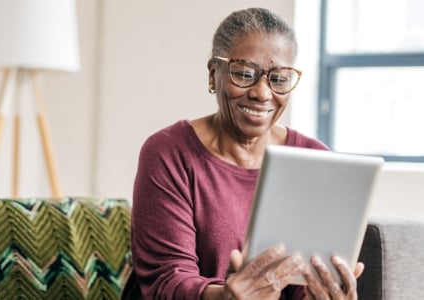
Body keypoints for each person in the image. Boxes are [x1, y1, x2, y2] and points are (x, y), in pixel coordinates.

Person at [121, 7, 363, 300]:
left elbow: (302, 282)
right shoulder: (169, 152)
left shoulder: (315, 159)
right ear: (214, 73)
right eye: (245, 74)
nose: (262, 93)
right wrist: (224, 297)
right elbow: (167, 280)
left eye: (279, 78)